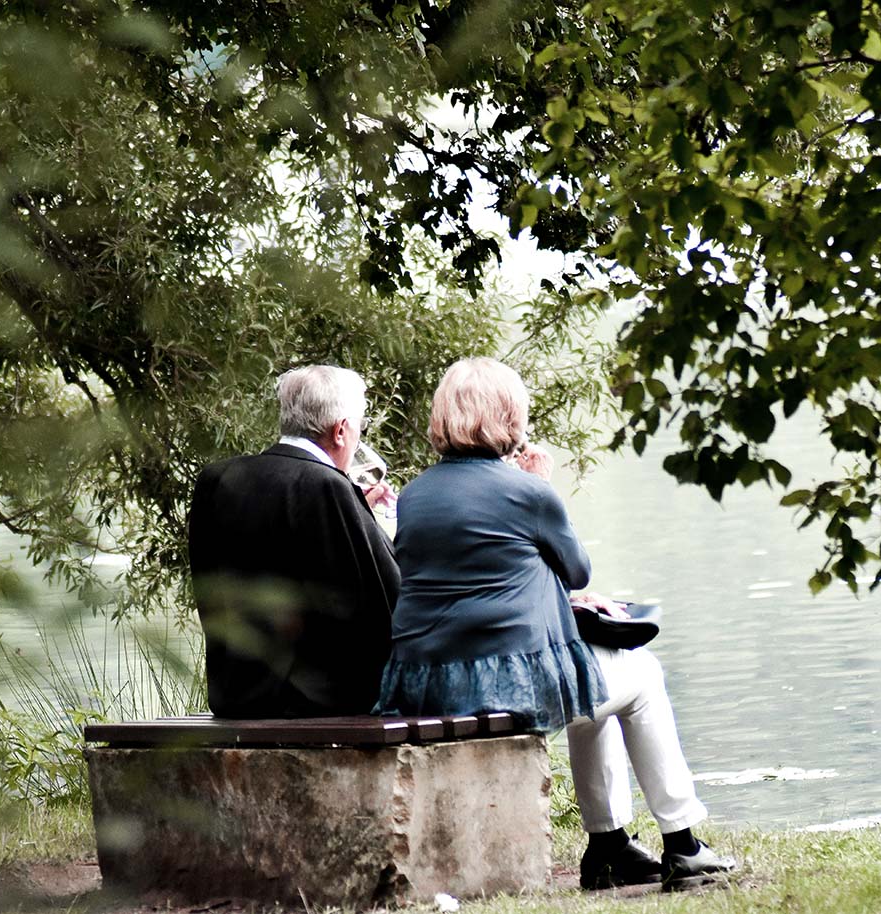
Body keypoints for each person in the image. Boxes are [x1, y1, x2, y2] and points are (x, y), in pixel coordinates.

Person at [375, 357, 734, 889]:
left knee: (598, 689)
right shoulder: (527, 492)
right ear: (508, 416)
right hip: (505, 686)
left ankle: (609, 845)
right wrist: (540, 485)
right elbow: (577, 569)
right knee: (642, 675)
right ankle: (682, 842)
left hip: (427, 682)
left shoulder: (415, 495)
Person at [189, 365, 399, 718]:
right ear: (342, 430)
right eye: (360, 428)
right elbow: (384, 599)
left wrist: (357, 507)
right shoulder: (327, 487)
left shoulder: (216, 480)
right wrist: (379, 525)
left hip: (234, 695)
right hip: (317, 702)